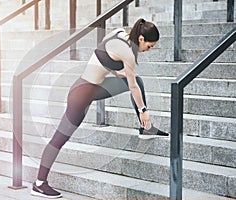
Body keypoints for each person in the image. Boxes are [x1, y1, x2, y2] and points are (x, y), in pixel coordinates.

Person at [31, 18, 169, 198]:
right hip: (81, 95)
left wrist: (113, 72)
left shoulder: (119, 33)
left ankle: (145, 129)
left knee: (134, 80)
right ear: (141, 39)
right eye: (149, 46)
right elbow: (133, 86)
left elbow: (101, 52)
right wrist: (144, 111)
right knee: (60, 138)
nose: (148, 50)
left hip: (92, 88)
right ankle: (39, 183)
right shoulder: (128, 53)